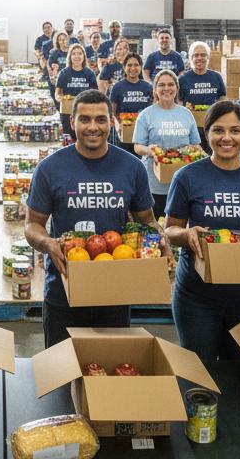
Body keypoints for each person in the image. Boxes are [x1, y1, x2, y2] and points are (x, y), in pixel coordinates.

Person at [27, 89, 159, 347]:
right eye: (85, 119)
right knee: (62, 372)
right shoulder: (50, 168)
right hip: (65, 289)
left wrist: (158, 238)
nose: (92, 127)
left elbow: (147, 220)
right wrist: (47, 243)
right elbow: (33, 224)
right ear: (72, 122)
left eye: (100, 119)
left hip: (115, 288)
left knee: (111, 370)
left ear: (112, 121)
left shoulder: (131, 167)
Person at [166, 101, 240, 365]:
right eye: (218, 130)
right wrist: (186, 235)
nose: (227, 138)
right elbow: (170, 230)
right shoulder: (187, 176)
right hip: (198, 296)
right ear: (207, 134)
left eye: (235, 130)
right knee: (200, 371)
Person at [133, 69, 200, 219]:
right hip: (154, 183)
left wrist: (195, 152)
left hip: (183, 183)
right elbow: (137, 147)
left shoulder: (186, 114)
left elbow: (196, 145)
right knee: (156, 228)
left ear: (177, 88)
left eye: (171, 84)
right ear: (155, 89)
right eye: (161, 85)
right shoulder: (146, 115)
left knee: (179, 228)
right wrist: (150, 151)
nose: (166, 88)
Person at [179, 41, 228, 150]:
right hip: (192, 128)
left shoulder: (216, 77)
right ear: (191, 58)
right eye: (196, 55)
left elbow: (222, 98)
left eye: (203, 55)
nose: (199, 58)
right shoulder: (183, 79)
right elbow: (178, 102)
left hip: (213, 126)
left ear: (208, 57)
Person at [108, 52, 154, 155]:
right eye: (129, 65)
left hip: (143, 135)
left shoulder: (148, 87)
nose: (133, 68)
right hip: (123, 134)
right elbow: (112, 112)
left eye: (136, 65)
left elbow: (152, 111)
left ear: (141, 67)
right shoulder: (117, 87)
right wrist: (117, 124)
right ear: (124, 67)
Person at [55, 43, 98, 140]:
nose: (77, 56)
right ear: (70, 57)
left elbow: (95, 94)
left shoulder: (89, 73)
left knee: (84, 138)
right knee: (69, 139)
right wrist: (60, 98)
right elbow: (57, 93)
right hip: (67, 113)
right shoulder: (64, 73)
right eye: (74, 54)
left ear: (84, 56)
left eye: (80, 54)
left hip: (86, 112)